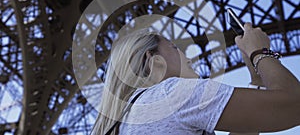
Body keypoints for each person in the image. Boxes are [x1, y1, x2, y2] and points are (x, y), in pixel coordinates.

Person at [91, 23, 300, 135]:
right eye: (175, 48)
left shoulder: (125, 121)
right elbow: (294, 106)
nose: (188, 57)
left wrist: (256, 79)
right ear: (154, 60)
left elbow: (255, 119)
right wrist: (259, 52)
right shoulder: (173, 94)